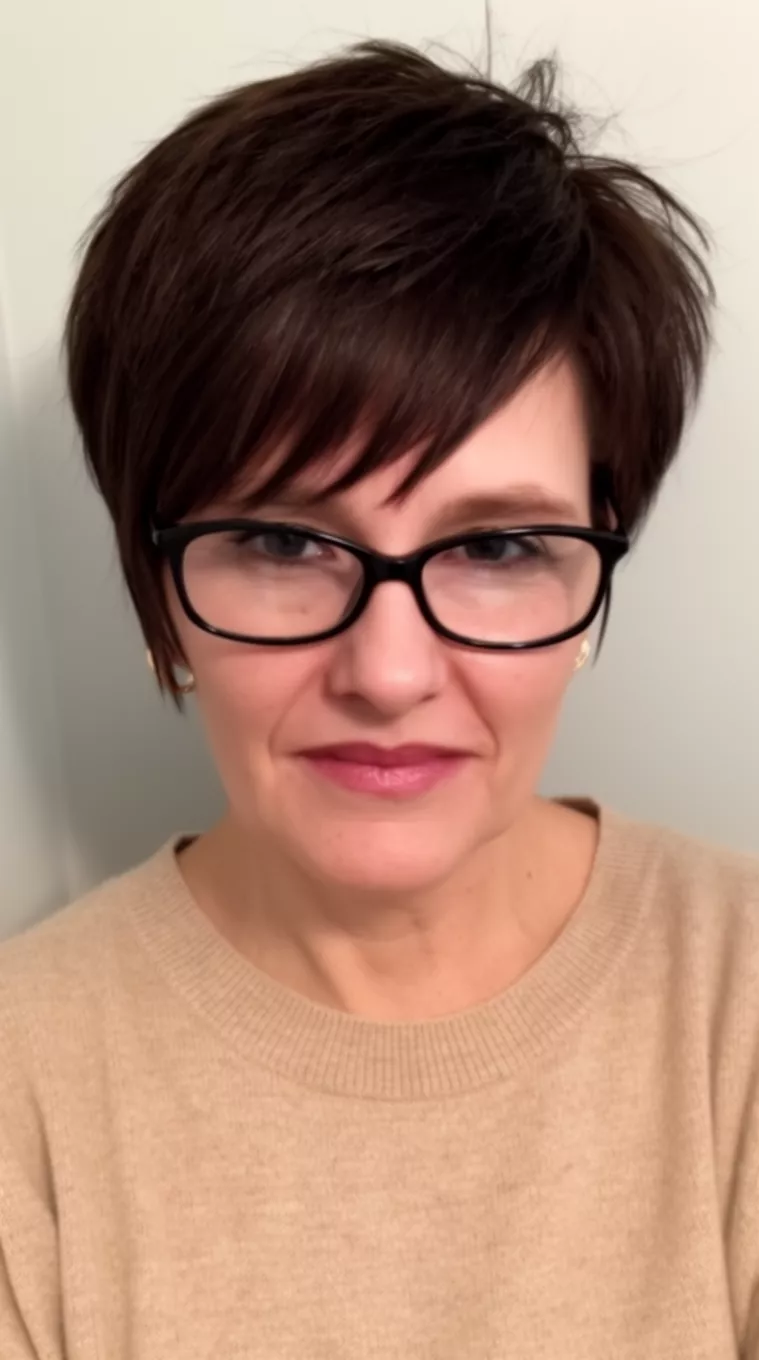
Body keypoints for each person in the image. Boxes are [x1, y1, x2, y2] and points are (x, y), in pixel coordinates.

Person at [1, 36, 757, 1360]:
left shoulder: (735, 1005)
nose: (391, 673)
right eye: (284, 542)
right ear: (159, 588)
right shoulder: (28, 1090)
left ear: (596, 566)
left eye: (496, 546)